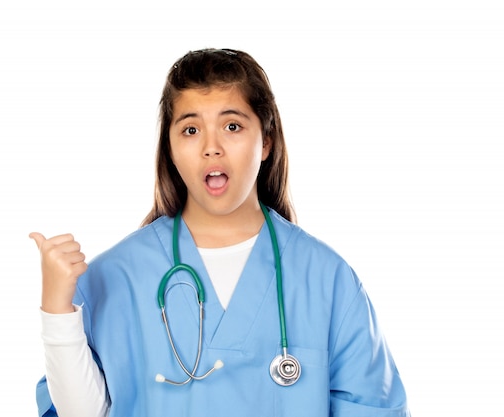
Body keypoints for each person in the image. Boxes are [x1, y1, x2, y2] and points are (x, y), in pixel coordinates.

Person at [30, 48, 411, 417]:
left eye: (232, 126)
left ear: (266, 141)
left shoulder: (327, 280)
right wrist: (57, 313)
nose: (212, 148)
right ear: (170, 147)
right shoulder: (115, 278)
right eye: (191, 129)